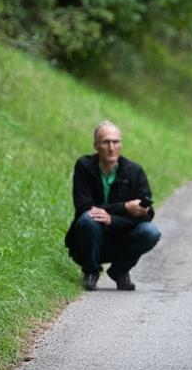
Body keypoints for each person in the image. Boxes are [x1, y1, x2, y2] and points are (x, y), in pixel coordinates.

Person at [64, 121, 162, 291]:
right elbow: (83, 206)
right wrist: (124, 207)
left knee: (150, 232)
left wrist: (113, 220)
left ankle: (119, 270)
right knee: (87, 219)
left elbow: (147, 214)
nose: (111, 147)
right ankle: (91, 271)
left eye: (115, 142)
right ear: (96, 146)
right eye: (105, 142)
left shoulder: (135, 171)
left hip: (122, 237)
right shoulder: (84, 166)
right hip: (89, 240)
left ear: (121, 144)